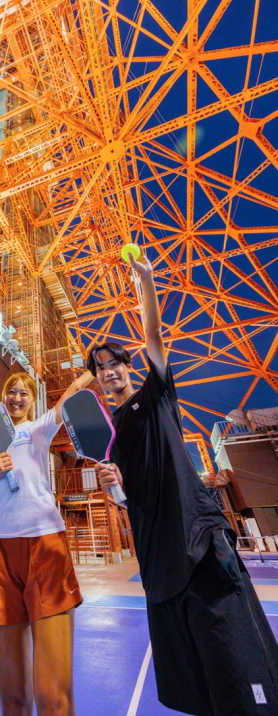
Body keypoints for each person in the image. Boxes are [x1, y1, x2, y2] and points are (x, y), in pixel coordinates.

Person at [90, 249, 278, 716]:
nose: (109, 371)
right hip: (156, 550)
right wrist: (112, 486)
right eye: (100, 368)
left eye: (114, 362)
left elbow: (153, 335)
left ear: (128, 366)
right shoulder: (109, 431)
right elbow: (125, 497)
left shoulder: (155, 394)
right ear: (97, 379)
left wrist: (146, 281)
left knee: (231, 647)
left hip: (197, 532)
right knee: (191, 667)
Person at [0, 370, 93, 716]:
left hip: (44, 541)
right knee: (12, 701)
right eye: (12, 392)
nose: (17, 398)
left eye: (24, 393)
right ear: (3, 398)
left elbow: (70, 393)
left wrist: (93, 370)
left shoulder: (38, 428)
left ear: (33, 400)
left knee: (53, 700)